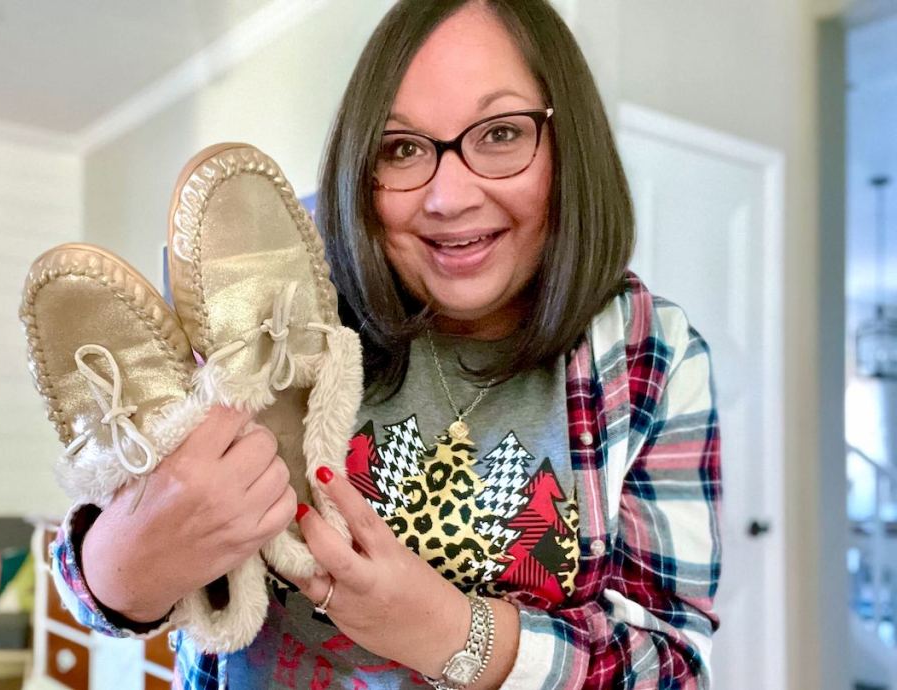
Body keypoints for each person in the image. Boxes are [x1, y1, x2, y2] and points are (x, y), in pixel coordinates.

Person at [51, 0, 722, 688]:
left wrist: (450, 632)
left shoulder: (651, 354)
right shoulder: (277, 310)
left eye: (500, 134)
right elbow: (95, 594)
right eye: (402, 149)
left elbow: (671, 666)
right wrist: (128, 560)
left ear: (566, 143)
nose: (448, 197)